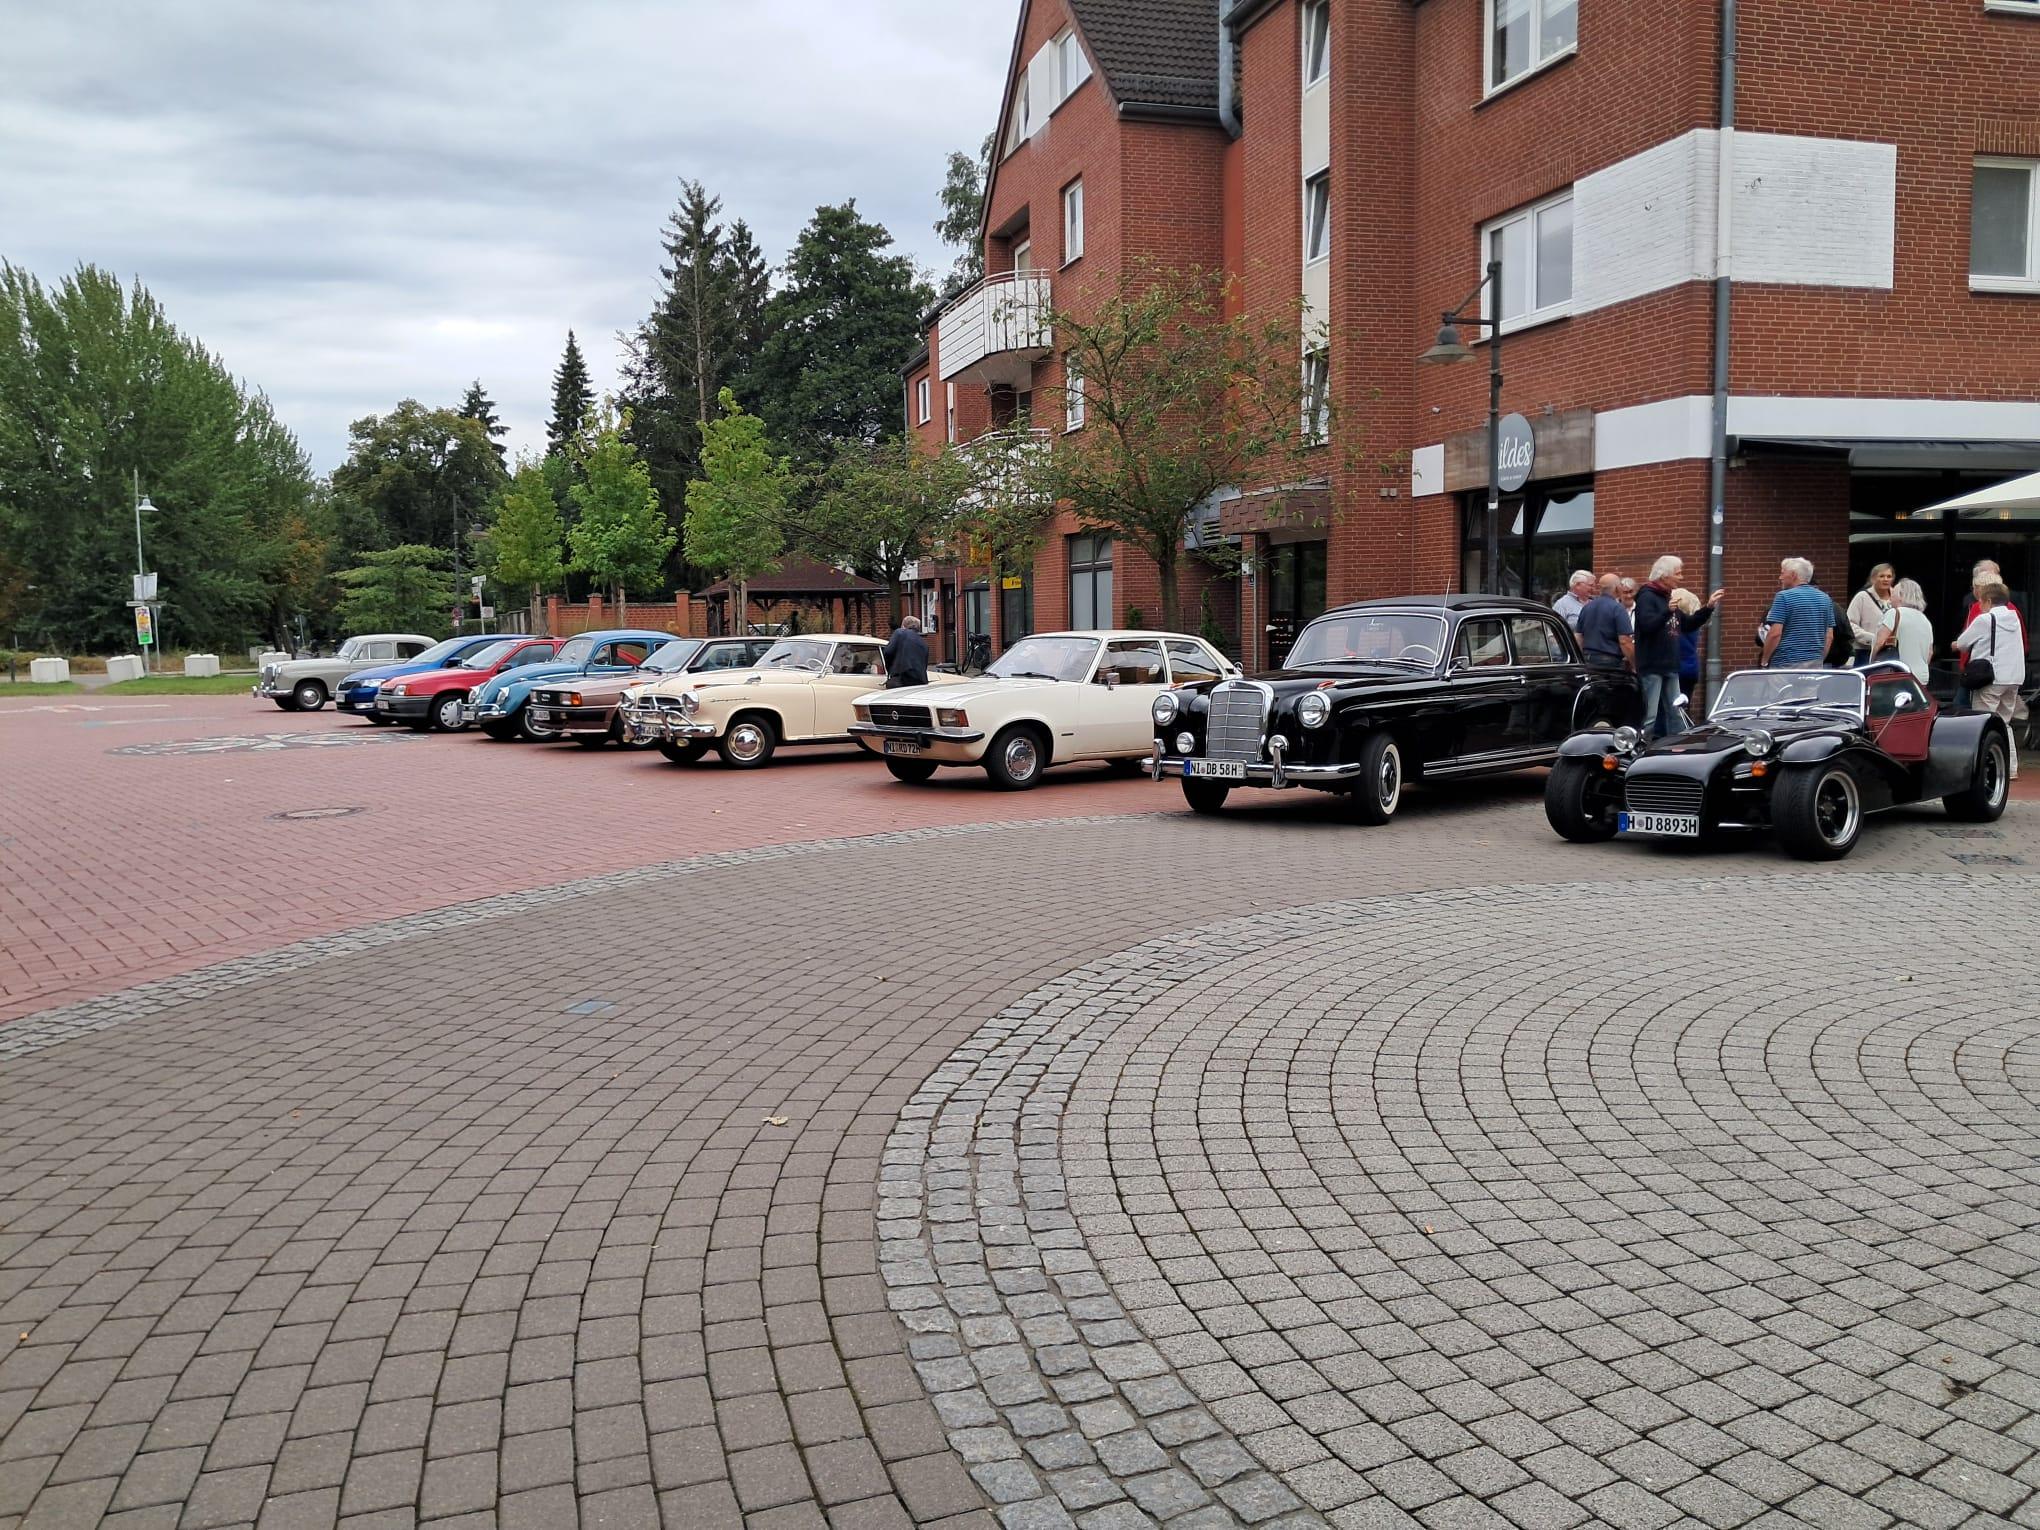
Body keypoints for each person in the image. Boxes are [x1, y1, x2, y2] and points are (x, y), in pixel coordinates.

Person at [1633, 557, 1724, 735]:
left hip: (1671, 665)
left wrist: (1708, 607)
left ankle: (1677, 747)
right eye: (1678, 573)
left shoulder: (1667, 597)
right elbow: (1647, 625)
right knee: (1650, 716)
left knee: (1676, 713)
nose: (1681, 577)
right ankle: (1642, 747)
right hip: (1653, 665)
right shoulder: (1647, 597)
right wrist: (1667, 611)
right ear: (1664, 576)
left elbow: (1687, 624)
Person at [1955, 582, 2024, 779]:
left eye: (1981, 601)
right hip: (2014, 677)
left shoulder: (1985, 619)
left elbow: (1962, 643)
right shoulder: (2014, 618)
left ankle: (1985, 765)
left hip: (1991, 678)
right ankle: (2010, 767)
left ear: (1988, 601)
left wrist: (1955, 644)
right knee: (2004, 722)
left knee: (1984, 722)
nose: (1980, 605)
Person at [1760, 558, 1833, 669]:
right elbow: (1829, 636)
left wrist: (1764, 661)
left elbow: (1775, 634)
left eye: (1782, 573)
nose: (1780, 577)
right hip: (1815, 663)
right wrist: (1819, 659)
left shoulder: (1783, 597)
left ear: (1793, 575)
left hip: (1785, 663)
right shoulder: (1825, 599)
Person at [1871, 578, 1933, 684]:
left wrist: (1872, 663)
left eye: (1893, 593)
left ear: (1901, 596)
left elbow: (1879, 643)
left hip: (1896, 675)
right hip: (1921, 677)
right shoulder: (1925, 620)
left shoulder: (1894, 613)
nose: (1890, 597)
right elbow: (1930, 653)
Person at [1577, 573, 1635, 668]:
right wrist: (1634, 665)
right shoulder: (1618, 609)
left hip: (1588, 660)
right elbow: (1625, 641)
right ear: (1617, 588)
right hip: (1610, 662)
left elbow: (1579, 637)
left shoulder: (1586, 608)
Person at [1846, 564, 1896, 665]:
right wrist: (1873, 639)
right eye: (1881, 576)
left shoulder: (1897, 596)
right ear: (1873, 579)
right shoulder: (1862, 597)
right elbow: (1850, 624)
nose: (1885, 579)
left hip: (1892, 652)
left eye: (1889, 576)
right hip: (1865, 652)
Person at [881, 615, 929, 689]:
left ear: (903, 626)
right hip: (920, 681)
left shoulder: (899, 633)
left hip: (902, 678)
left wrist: (890, 669)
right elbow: (924, 664)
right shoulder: (923, 643)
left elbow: (888, 652)